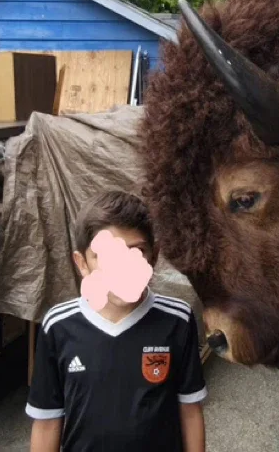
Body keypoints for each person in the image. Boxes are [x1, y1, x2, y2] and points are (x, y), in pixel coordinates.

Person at [27, 190, 207, 452]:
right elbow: (46, 421)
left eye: (136, 251)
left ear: (154, 256)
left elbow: (190, 410)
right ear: (83, 263)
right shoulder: (58, 326)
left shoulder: (177, 320)